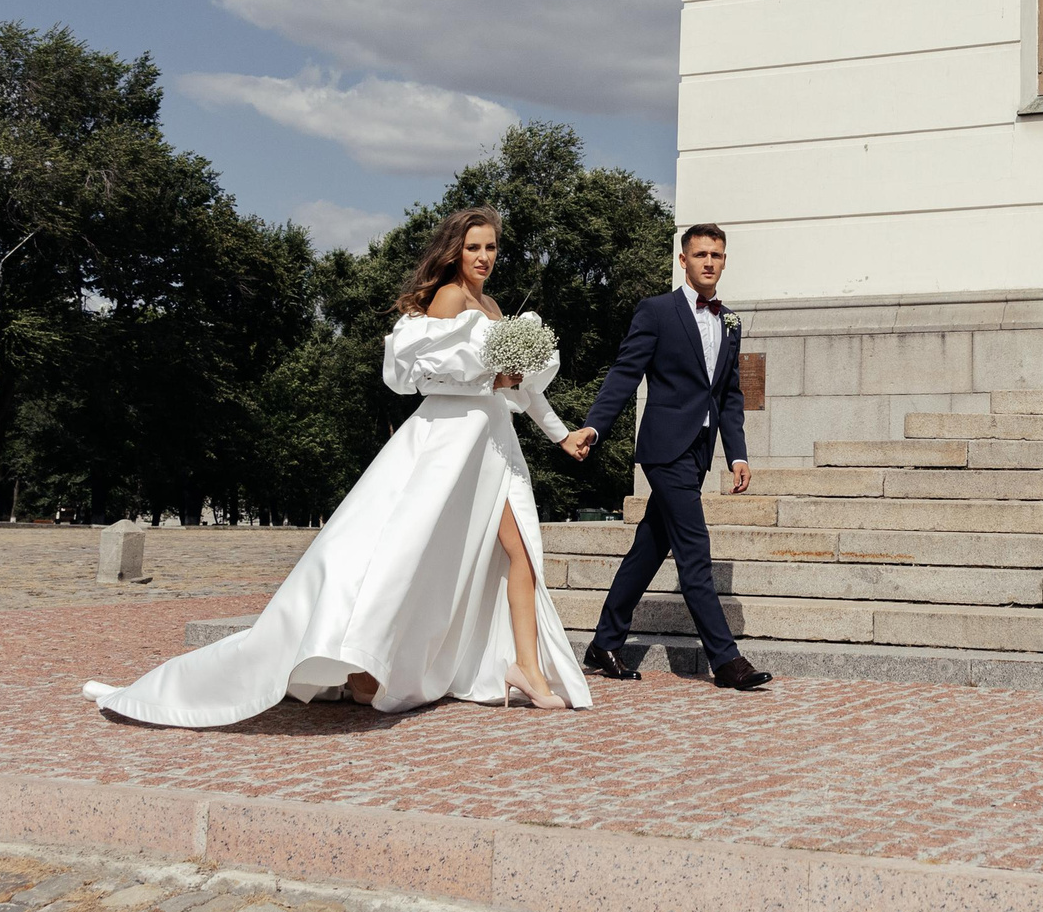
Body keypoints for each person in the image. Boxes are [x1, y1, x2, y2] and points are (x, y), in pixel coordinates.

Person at [80, 209, 593, 724]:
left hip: (493, 441)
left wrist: (561, 434)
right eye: (474, 248)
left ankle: (526, 666)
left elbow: (523, 390)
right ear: (454, 252)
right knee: (405, 554)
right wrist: (491, 378)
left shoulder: (495, 306)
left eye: (492, 248)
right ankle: (363, 665)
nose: (484, 258)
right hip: (452, 441)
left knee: (521, 549)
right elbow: (424, 373)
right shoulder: (449, 298)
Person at [562, 223, 771, 692]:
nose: (709, 263)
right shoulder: (656, 311)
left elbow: (730, 396)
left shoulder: (730, 320)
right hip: (664, 449)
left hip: (698, 452)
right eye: (700, 255)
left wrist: (736, 455)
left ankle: (604, 642)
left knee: (651, 546)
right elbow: (624, 373)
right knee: (694, 551)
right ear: (683, 260)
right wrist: (594, 427)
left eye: (716, 255)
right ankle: (726, 660)